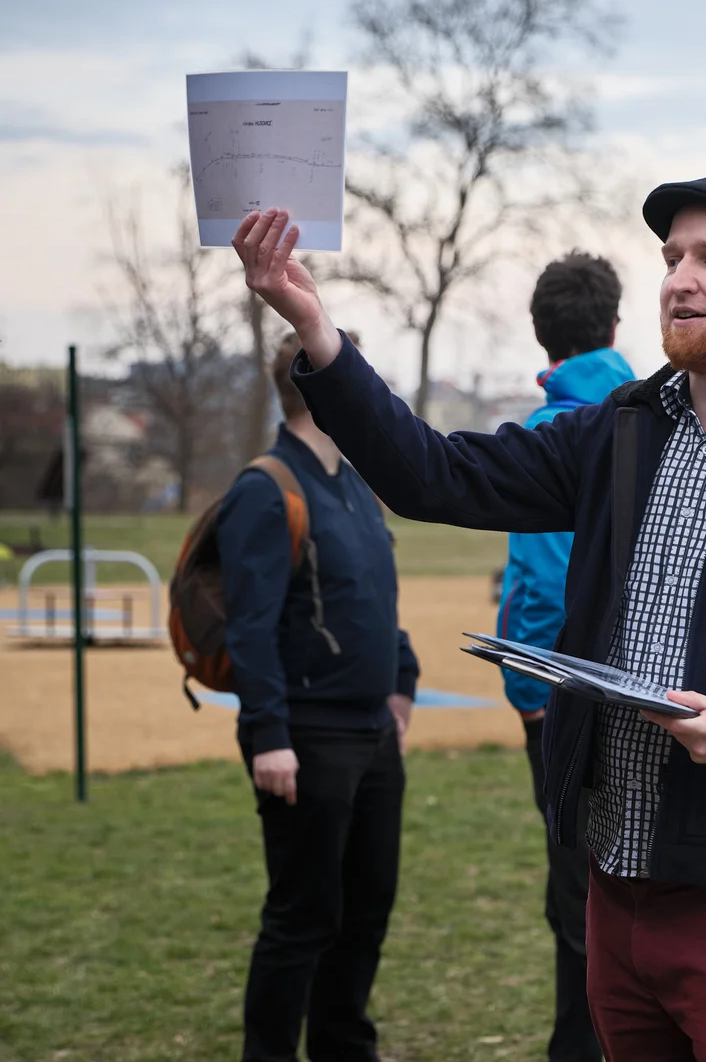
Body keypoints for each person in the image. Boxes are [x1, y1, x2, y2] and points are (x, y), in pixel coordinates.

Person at [231, 175, 706, 1062]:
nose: (680, 279)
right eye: (671, 259)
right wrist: (317, 333)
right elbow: (434, 475)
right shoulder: (618, 432)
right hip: (612, 887)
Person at [216, 332, 419, 1062]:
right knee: (303, 918)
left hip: (372, 735)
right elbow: (251, 627)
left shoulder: (356, 486)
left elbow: (375, 598)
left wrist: (402, 683)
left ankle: (343, 1048)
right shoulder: (264, 490)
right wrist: (268, 734)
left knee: (366, 913)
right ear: (325, 388)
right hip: (304, 738)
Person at [497, 252, 634, 1062]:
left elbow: (544, 581)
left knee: (577, 897)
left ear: (541, 334)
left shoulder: (555, 433)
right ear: (615, 326)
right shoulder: (653, 414)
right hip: (646, 689)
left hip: (568, 700)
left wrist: (532, 694)